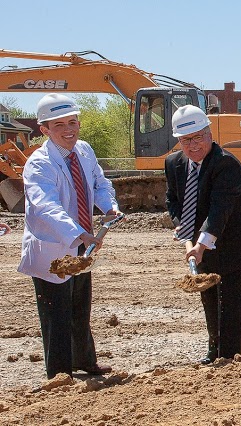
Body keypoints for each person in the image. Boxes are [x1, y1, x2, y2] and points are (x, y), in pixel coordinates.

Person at [18, 93, 121, 379]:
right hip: (54, 246)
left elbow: (100, 183)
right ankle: (60, 373)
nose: (68, 130)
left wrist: (109, 206)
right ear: (45, 130)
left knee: (79, 305)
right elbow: (45, 205)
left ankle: (84, 360)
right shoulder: (39, 163)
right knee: (56, 312)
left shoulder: (85, 151)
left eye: (72, 122)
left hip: (82, 244)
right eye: (59, 124)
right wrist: (79, 234)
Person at [164, 105, 241, 364]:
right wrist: (183, 231)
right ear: (178, 141)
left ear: (209, 133)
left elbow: (219, 210)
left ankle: (229, 357)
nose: (192, 146)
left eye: (198, 137)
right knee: (209, 293)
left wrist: (200, 244)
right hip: (205, 238)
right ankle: (214, 351)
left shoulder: (226, 164)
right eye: (185, 140)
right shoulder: (173, 164)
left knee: (230, 298)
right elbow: (173, 201)